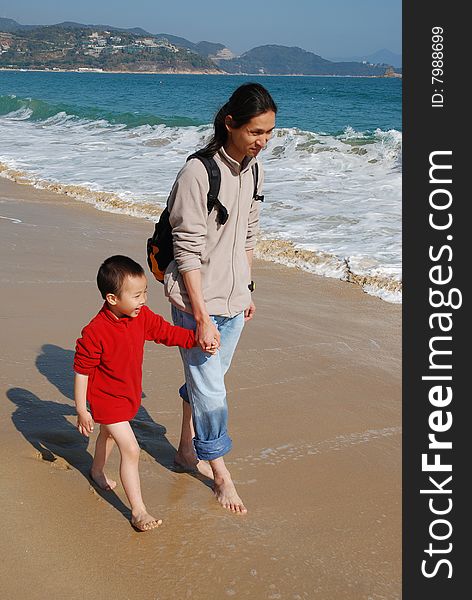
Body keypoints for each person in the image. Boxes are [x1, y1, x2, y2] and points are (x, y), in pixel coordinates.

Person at [163, 83, 277, 514]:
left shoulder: (254, 169)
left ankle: (184, 450)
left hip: (232, 300)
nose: (262, 141)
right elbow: (186, 250)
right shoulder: (198, 172)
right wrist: (201, 316)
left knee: (207, 381)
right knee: (211, 388)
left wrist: (246, 289)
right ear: (231, 122)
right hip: (197, 302)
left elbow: (248, 232)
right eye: (255, 132)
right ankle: (220, 471)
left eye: (269, 133)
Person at [73, 255, 204, 531]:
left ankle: (96, 470)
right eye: (136, 295)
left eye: (144, 292)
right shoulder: (95, 331)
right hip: (106, 401)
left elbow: (166, 332)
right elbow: (82, 370)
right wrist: (82, 409)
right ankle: (138, 511)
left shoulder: (140, 317)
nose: (143, 299)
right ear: (111, 298)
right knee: (130, 449)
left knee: (107, 435)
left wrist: (195, 340)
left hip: (128, 395)